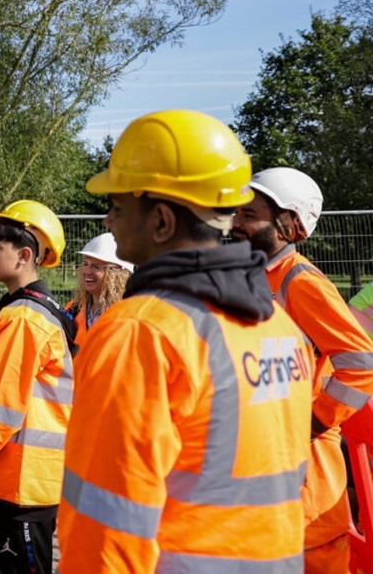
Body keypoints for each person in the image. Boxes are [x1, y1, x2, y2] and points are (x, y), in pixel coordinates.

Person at [58, 109, 314, 572]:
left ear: (160, 220)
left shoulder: (139, 333)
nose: (109, 219)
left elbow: (106, 527)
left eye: (117, 205)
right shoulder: (279, 324)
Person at [232, 166, 373, 572]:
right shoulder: (257, 278)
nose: (236, 223)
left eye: (249, 215)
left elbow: (361, 364)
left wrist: (311, 421)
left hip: (306, 479)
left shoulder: (300, 282)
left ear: (289, 224)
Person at [0, 200, 73, 574]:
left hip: (18, 483)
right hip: (27, 479)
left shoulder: (23, 319)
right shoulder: (38, 310)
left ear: (23, 255)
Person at [68, 232, 133, 337]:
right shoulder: (73, 310)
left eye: (95, 266)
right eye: (85, 264)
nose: (87, 272)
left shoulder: (129, 315)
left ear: (115, 275)